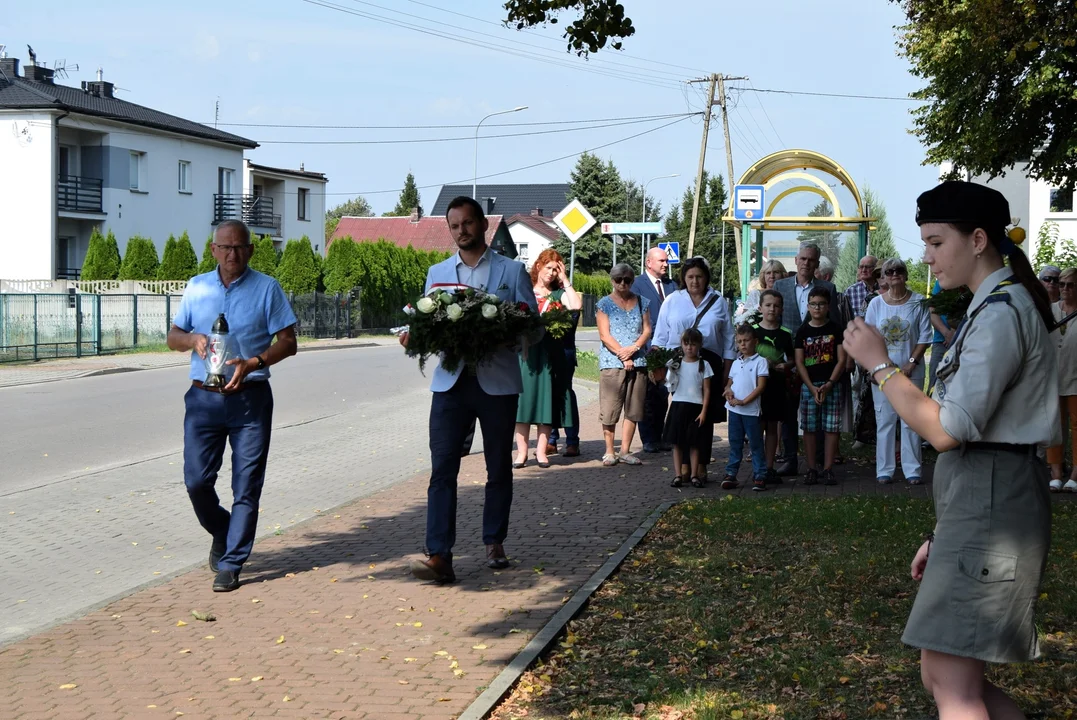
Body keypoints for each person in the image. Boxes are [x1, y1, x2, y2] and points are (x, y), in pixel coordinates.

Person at [843, 180, 1059, 719]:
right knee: (943, 677)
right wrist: (944, 533)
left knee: (954, 689)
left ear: (979, 239)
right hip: (980, 502)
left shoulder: (1003, 313)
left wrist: (878, 363)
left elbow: (948, 429)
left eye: (937, 242)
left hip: (991, 502)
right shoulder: (993, 309)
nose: (927, 257)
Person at [401, 196, 539, 584]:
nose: (461, 231)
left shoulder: (511, 271)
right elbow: (426, 322)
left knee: (498, 467)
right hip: (450, 383)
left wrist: (510, 332)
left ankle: (494, 540)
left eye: (467, 223)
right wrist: (416, 337)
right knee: (442, 469)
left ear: (483, 225)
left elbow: (533, 325)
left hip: (497, 384)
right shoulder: (438, 271)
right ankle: (439, 554)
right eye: (454, 225)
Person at [166, 219, 298, 593]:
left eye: (239, 247)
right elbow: (172, 336)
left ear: (250, 250)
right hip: (203, 400)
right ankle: (222, 528)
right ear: (213, 250)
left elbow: (288, 342)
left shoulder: (267, 288)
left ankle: (233, 562)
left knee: (247, 486)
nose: (232, 254)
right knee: (196, 481)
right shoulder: (197, 287)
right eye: (224, 247)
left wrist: (254, 362)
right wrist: (192, 339)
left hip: (250, 400)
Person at [653, 256, 737, 478]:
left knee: (704, 415)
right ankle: (682, 466)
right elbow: (660, 335)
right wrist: (658, 365)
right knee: (680, 414)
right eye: (690, 277)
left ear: (706, 278)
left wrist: (727, 372)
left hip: (708, 365)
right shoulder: (672, 300)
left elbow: (729, 340)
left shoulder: (718, 301)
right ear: (684, 278)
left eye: (699, 276)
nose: (695, 281)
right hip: (679, 365)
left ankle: (701, 464)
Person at [772, 243, 842, 476]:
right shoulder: (780, 286)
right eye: (802, 259)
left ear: (817, 263)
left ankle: (821, 462)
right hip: (788, 359)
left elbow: (836, 326)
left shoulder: (828, 288)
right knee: (788, 412)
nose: (806, 263)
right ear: (795, 260)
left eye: (811, 260)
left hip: (819, 362)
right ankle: (790, 459)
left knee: (819, 412)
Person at [864, 258, 933, 485]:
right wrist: (877, 367)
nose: (894, 274)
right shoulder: (876, 304)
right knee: (885, 420)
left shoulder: (919, 302)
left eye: (899, 270)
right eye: (889, 271)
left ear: (906, 274)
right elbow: (870, 338)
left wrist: (911, 363)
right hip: (883, 373)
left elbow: (924, 337)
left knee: (911, 421)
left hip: (911, 371)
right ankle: (884, 469)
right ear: (883, 277)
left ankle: (912, 470)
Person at [514, 249, 581, 468]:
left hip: (548, 356)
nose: (551, 273)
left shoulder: (558, 294)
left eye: (556, 269)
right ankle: (521, 453)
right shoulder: (525, 291)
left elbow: (575, 306)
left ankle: (541, 452)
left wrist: (565, 280)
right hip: (524, 355)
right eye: (549, 268)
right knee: (522, 407)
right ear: (538, 266)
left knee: (545, 405)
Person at [596, 262, 652, 467]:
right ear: (612, 280)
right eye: (618, 280)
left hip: (638, 361)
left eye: (627, 280)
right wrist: (623, 354)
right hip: (612, 362)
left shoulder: (641, 302)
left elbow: (647, 329)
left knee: (634, 409)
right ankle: (609, 451)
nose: (622, 284)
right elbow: (604, 334)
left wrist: (635, 348)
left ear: (632, 281)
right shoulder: (604, 303)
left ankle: (626, 450)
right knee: (610, 408)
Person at [793, 287, 846, 486]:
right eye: (814, 304)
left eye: (821, 304)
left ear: (828, 306)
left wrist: (830, 383)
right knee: (810, 428)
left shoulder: (835, 329)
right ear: (808, 306)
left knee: (831, 427)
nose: (817, 307)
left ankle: (828, 468)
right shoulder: (803, 331)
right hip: (810, 386)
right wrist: (811, 387)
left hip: (831, 384)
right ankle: (811, 468)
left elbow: (841, 359)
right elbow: (799, 362)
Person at [632, 247, 679, 453]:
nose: (665, 264)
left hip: (670, 349)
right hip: (648, 348)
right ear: (648, 262)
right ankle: (649, 439)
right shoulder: (637, 285)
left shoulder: (672, 285)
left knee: (664, 397)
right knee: (648, 397)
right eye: (661, 261)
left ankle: (662, 436)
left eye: (666, 261)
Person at [753, 289, 794, 485]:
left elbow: (793, 359)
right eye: (768, 305)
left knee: (772, 427)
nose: (772, 309)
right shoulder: (752, 330)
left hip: (776, 386)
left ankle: (769, 467)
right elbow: (742, 354)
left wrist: (786, 365)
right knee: (756, 427)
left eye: (776, 306)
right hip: (755, 386)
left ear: (782, 310)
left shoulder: (786, 334)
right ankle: (758, 467)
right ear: (760, 307)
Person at [663, 328, 713, 488]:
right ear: (681, 345)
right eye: (686, 344)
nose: (689, 348)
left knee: (695, 443)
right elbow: (669, 385)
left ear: (699, 345)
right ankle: (678, 475)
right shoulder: (676, 363)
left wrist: (704, 411)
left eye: (693, 344)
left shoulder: (704, 365)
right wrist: (669, 370)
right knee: (677, 443)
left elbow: (707, 389)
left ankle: (694, 475)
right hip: (678, 405)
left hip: (696, 407)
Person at [722, 324, 769, 491]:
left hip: (751, 411)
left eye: (746, 340)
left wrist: (744, 401)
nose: (743, 344)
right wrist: (728, 392)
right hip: (734, 410)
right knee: (735, 444)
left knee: (755, 444)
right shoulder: (736, 363)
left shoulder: (760, 362)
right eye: (740, 341)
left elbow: (760, 387)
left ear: (755, 341)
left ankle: (760, 475)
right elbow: (730, 383)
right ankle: (731, 474)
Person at [1048, 267, 1077, 492]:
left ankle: (1075, 474)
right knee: (1054, 426)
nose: (1065, 288)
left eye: (1071, 284)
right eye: (1062, 284)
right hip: (1052, 378)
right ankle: (1056, 472)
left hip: (1075, 378)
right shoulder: (1050, 311)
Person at [735, 259, 785, 325]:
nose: (772, 276)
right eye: (768, 273)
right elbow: (744, 318)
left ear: (782, 275)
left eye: (776, 272)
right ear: (763, 276)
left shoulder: (787, 294)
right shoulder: (755, 294)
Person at [926, 278, 954, 396]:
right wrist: (946, 333)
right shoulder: (941, 281)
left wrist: (955, 331)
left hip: (964, 340)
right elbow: (932, 310)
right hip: (941, 341)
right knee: (934, 383)